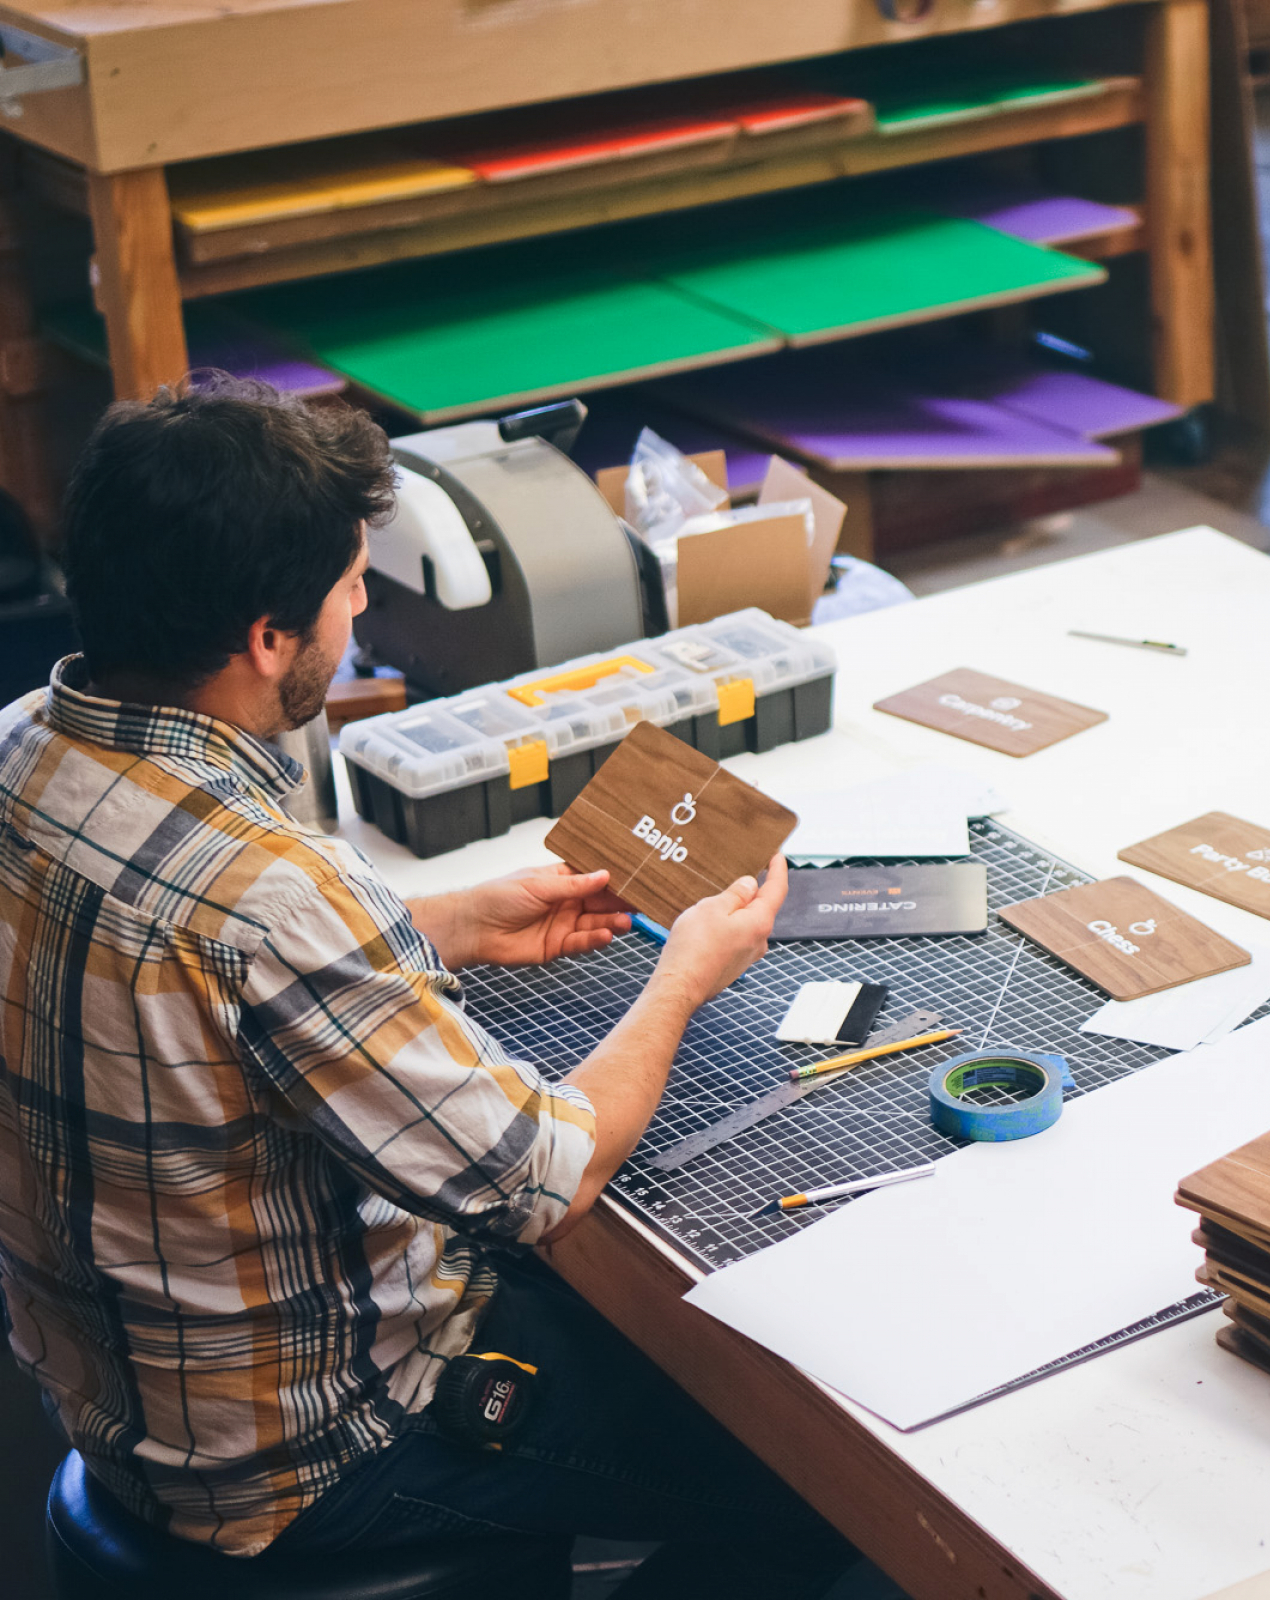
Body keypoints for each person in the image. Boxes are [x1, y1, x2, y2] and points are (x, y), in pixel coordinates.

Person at [0, 378, 850, 1596]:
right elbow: (535, 1175)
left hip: (111, 1396)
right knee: (804, 1465)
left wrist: (434, 923)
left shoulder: (26, 741)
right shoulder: (274, 898)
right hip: (303, 1461)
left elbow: (183, 966)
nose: (362, 606)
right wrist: (684, 977)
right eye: (350, 586)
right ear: (266, 639)